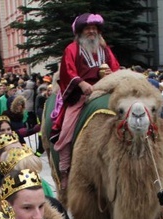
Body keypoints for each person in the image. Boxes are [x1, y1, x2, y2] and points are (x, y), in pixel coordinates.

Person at [54, 12, 120, 188]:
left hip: (105, 90)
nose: (91, 31)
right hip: (82, 94)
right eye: (88, 28)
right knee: (66, 130)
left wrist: (110, 75)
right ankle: (65, 170)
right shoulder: (72, 49)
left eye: (94, 28)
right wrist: (82, 84)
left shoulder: (105, 49)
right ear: (81, 31)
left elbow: (115, 67)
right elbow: (68, 71)